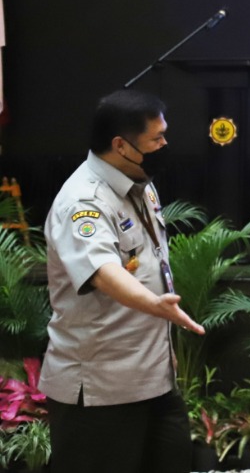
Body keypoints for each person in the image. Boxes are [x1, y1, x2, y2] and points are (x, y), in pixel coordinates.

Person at [40, 89, 206, 473]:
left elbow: (147, 262)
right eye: (156, 138)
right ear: (121, 145)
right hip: (100, 392)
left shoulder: (140, 181)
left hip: (154, 380)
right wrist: (155, 305)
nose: (165, 145)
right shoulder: (83, 202)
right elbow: (103, 272)